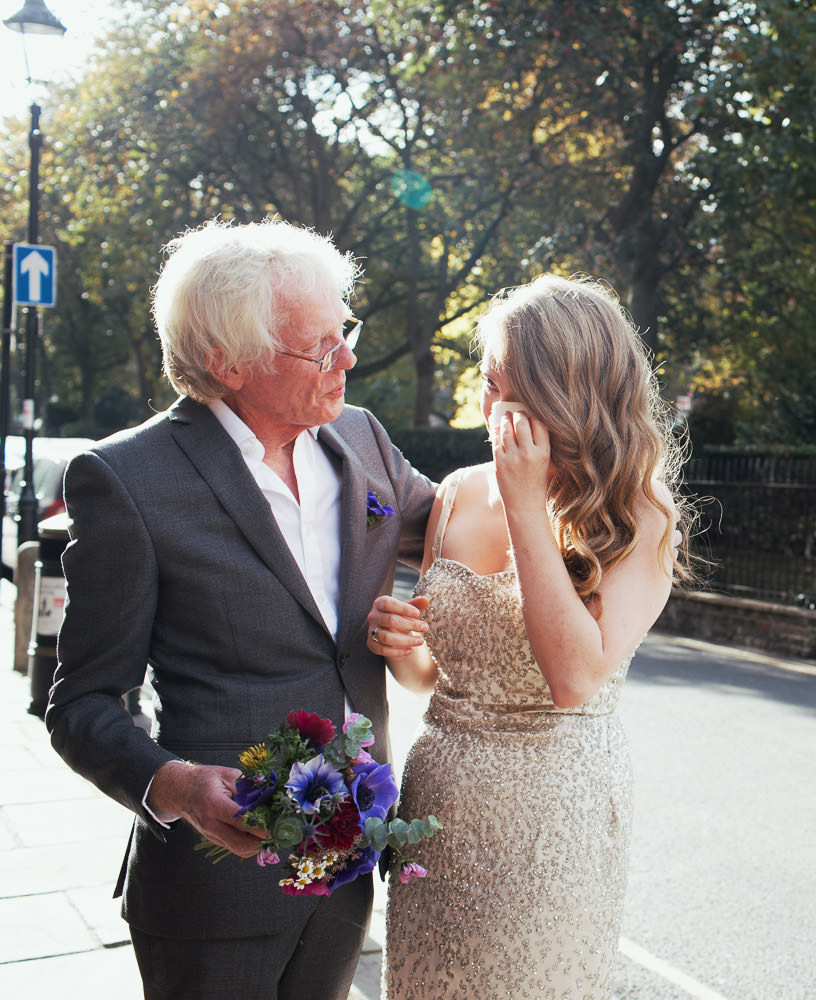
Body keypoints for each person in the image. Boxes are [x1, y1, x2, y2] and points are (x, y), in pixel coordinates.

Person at [45, 218, 436, 1000]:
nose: (350, 358)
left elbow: (467, 537)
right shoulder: (127, 480)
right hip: (211, 890)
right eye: (321, 343)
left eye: (345, 330)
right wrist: (175, 785)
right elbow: (80, 703)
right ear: (229, 360)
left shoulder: (361, 440)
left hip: (348, 867)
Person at [368, 273, 692, 999]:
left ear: (561, 393)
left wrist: (524, 504)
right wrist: (402, 648)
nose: (487, 406)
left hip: (555, 818)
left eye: (504, 387)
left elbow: (574, 678)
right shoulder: (454, 490)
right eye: (485, 381)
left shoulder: (638, 511)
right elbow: (434, 676)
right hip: (442, 813)